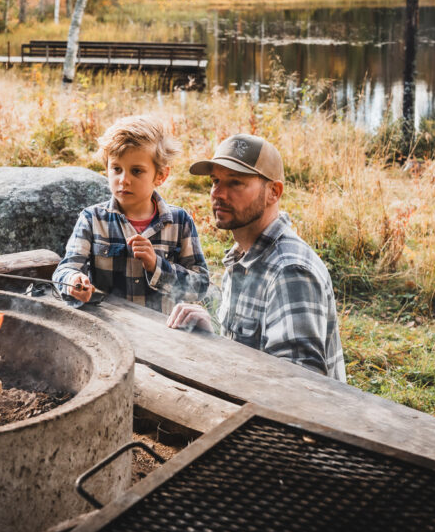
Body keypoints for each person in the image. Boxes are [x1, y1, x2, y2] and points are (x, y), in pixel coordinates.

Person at [166, 134, 346, 381]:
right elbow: (248, 353)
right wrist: (212, 337)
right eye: (215, 181)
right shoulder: (242, 255)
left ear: (274, 192)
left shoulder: (290, 272)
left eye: (235, 183)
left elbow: (300, 385)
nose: (217, 193)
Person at [53, 115, 209, 313]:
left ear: (160, 175)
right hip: (109, 330)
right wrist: (73, 282)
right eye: (116, 169)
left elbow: (200, 286)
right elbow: (65, 270)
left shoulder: (179, 222)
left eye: (136, 171)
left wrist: (156, 266)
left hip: (163, 336)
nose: (123, 180)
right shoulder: (92, 219)